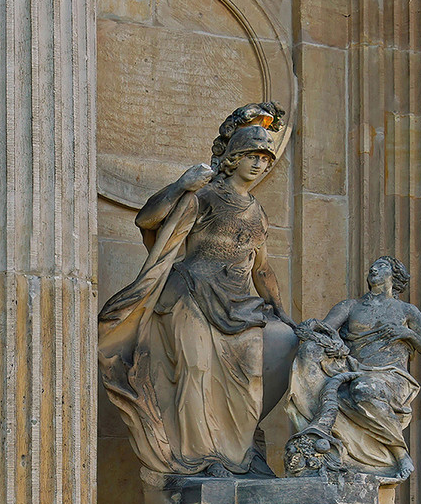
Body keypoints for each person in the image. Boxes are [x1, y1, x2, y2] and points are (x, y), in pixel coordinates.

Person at [99, 104, 297, 483]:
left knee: (262, 365)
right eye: (252, 157)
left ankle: (238, 454)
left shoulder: (257, 213)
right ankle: (201, 460)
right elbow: (147, 220)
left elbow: (263, 269)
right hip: (190, 294)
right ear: (233, 159)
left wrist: (283, 312)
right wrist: (180, 185)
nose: (259, 165)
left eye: (265, 159)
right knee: (197, 370)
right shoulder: (204, 197)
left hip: (239, 303)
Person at [293, 256, 421, 481]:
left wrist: (408, 334)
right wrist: (330, 343)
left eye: (382, 265)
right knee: (315, 355)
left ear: (394, 275)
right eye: (372, 265)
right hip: (352, 370)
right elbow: (323, 331)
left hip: (392, 376)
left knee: (365, 388)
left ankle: (399, 453)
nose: (373, 268)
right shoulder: (350, 306)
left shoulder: (406, 311)